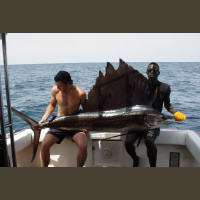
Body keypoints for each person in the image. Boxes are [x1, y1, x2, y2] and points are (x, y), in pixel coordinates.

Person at [125, 62, 186, 167]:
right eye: (149, 70)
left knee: (149, 140)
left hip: (154, 122)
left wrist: (176, 113)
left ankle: (153, 166)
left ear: (158, 73)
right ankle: (135, 159)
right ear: (146, 72)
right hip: (139, 122)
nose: (152, 72)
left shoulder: (165, 88)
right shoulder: (139, 87)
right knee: (128, 142)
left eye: (154, 70)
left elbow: (168, 106)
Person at [39, 71, 88, 167]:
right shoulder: (55, 91)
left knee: (83, 146)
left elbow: (87, 110)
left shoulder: (81, 93)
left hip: (75, 124)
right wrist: (44, 118)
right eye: (56, 85)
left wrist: (86, 126)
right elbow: (52, 105)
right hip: (59, 123)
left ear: (68, 83)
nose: (57, 88)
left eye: (60, 85)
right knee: (44, 145)